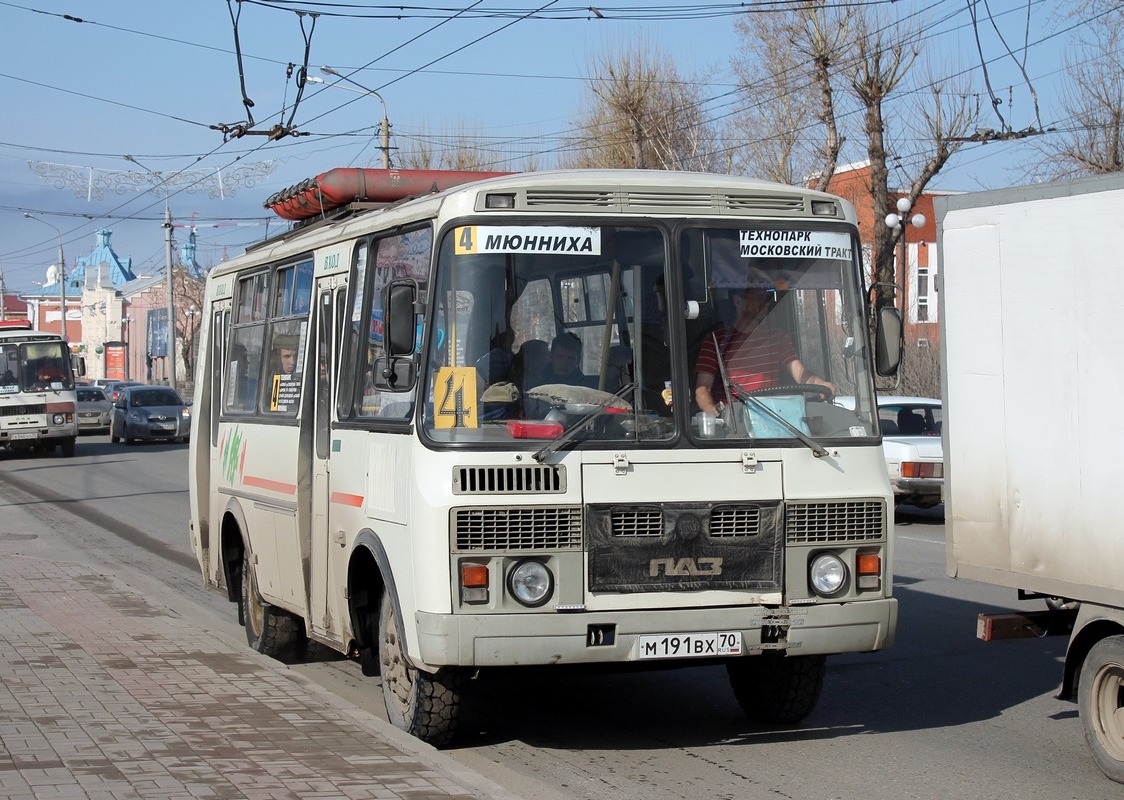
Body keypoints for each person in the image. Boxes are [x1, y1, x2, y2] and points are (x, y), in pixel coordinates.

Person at [694, 287, 836, 415]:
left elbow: (800, 373)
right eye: (758, 298)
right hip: (735, 422)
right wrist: (715, 415)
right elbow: (702, 389)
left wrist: (819, 383)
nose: (766, 304)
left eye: (767, 299)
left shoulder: (777, 338)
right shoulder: (715, 341)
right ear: (738, 301)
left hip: (772, 416)